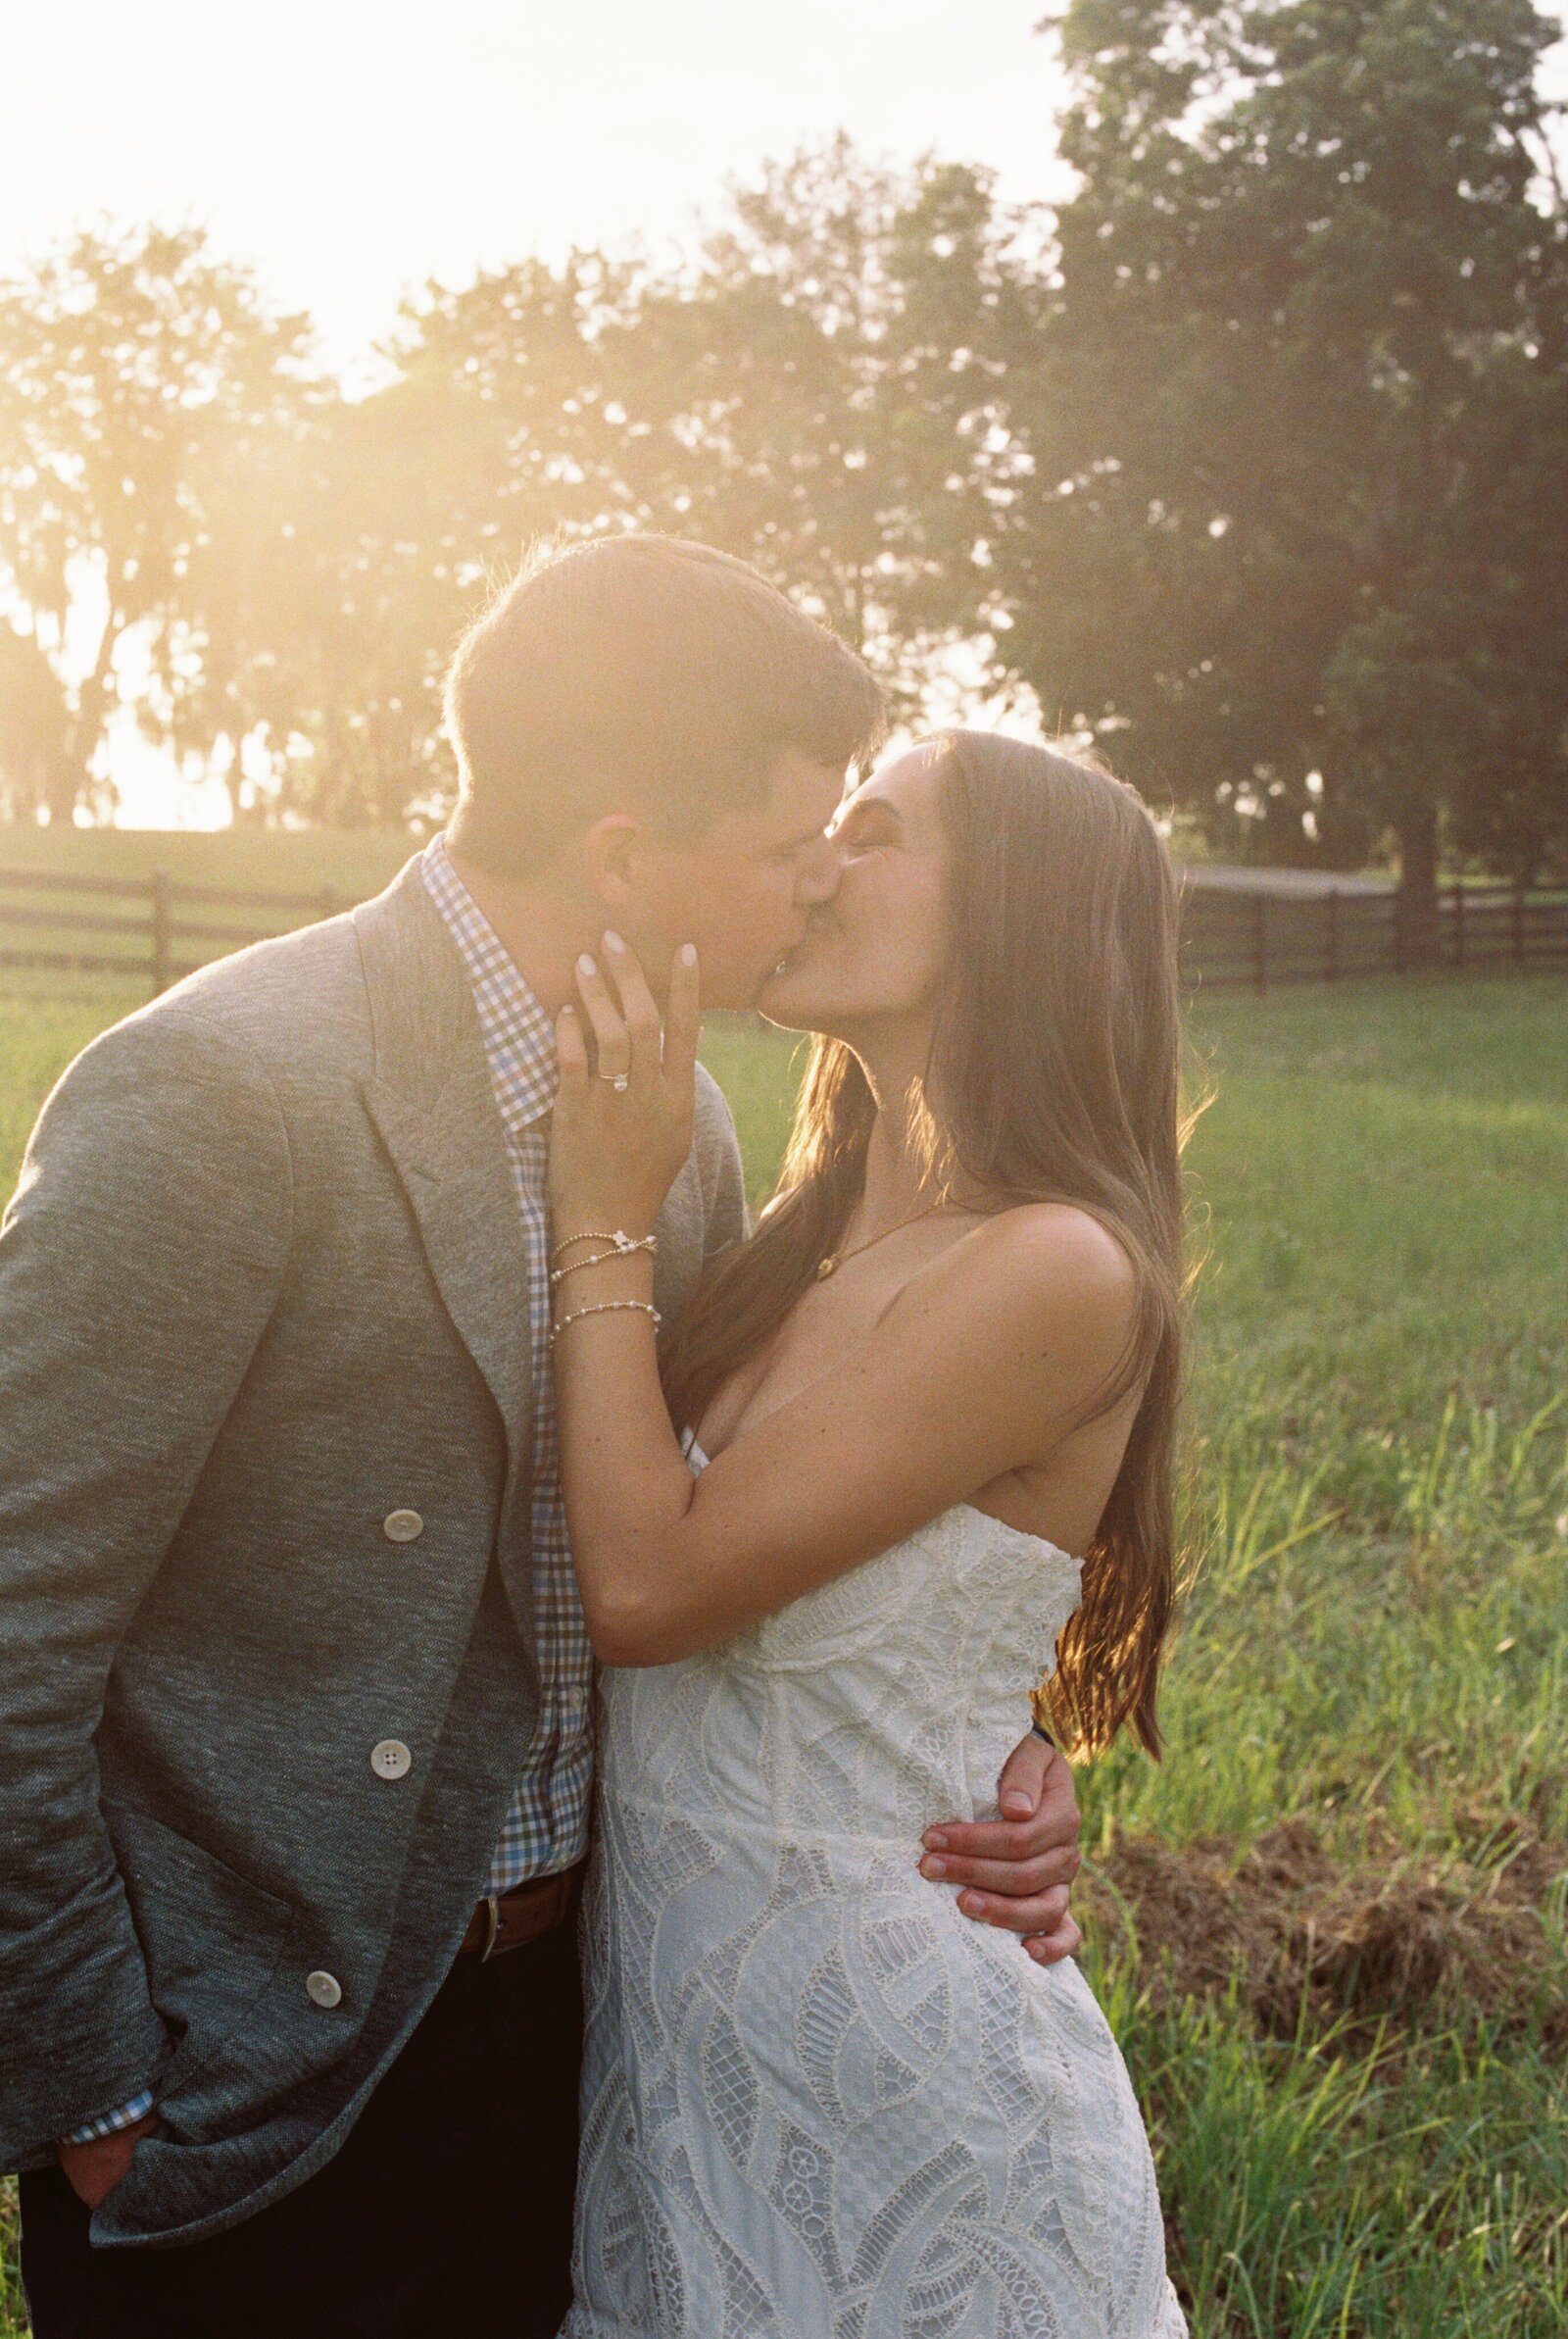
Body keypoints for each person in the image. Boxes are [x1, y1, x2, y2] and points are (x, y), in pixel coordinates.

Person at [0, 538, 1084, 2339]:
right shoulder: (220, 1085)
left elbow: (756, 1519)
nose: (814, 889)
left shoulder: (692, 1135)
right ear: (621, 857)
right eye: (783, 847)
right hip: (255, 2079)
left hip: (586, 2045)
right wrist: (97, 2087)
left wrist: (995, 1740)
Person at [545, 725, 1191, 2336]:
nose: (816, 862)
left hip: (926, 2115)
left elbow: (646, 1582)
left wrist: (599, 1216)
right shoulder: (801, 1233)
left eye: (877, 830)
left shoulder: (1058, 1266)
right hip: (683, 2087)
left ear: (1017, 913)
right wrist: (1005, 1733)